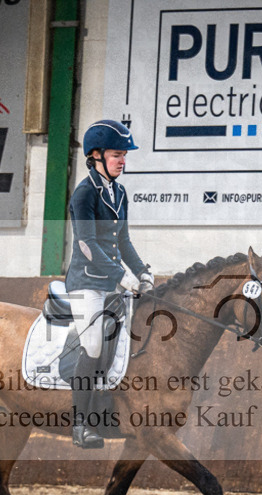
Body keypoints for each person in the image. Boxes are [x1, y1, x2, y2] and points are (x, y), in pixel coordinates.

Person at [65, 119, 154, 449]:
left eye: (124, 155)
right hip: (86, 283)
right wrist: (122, 277)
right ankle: (80, 424)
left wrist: (141, 271)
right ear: (96, 155)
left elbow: (123, 240)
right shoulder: (84, 192)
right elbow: (86, 244)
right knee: (93, 346)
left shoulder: (119, 192)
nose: (122, 160)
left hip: (115, 282)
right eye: (117, 154)